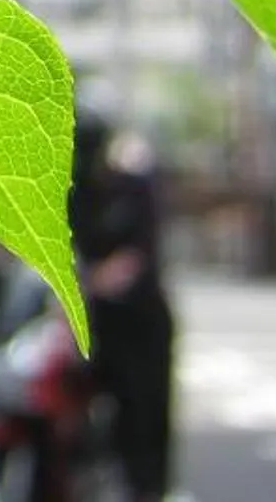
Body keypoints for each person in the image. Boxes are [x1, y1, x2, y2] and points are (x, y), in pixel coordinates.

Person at [70, 108, 175, 502]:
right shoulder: (73, 190)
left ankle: (147, 489)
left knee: (144, 410)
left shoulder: (133, 187)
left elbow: (137, 257)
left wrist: (93, 278)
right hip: (98, 319)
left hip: (141, 318)